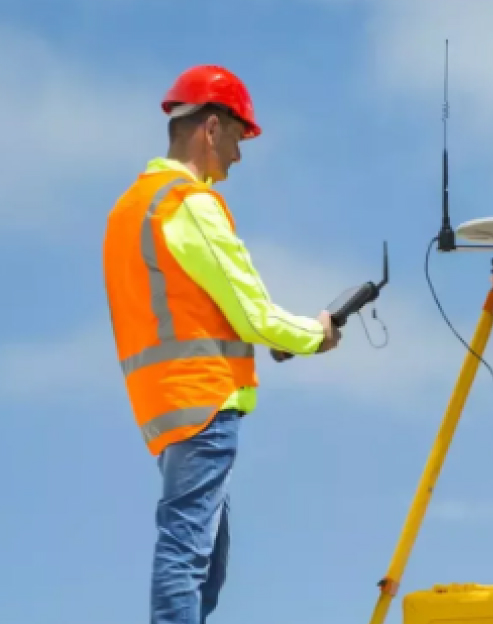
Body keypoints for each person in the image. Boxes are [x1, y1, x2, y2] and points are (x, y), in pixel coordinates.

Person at [102, 64, 341, 623]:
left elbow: (189, 306)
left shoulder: (130, 209)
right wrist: (315, 335)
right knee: (188, 552)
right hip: (204, 400)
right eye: (237, 136)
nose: (238, 154)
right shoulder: (187, 204)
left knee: (208, 560)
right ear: (211, 128)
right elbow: (251, 310)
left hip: (162, 405)